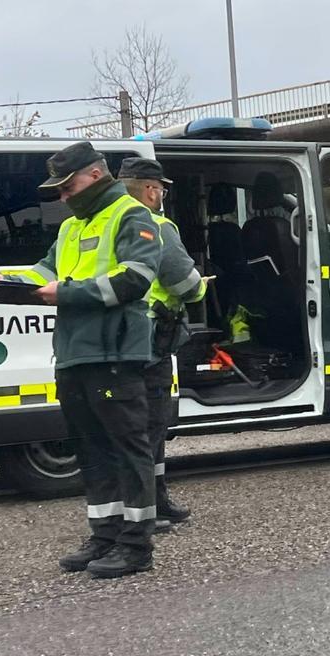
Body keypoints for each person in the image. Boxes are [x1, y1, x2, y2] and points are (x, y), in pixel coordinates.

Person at [0, 142, 162, 579]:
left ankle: (136, 545)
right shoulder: (70, 229)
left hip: (115, 351)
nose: (62, 197)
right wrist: (5, 283)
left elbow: (136, 280)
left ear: (95, 176)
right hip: (75, 352)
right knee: (91, 448)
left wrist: (66, 293)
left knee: (127, 447)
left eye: (67, 186)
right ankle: (105, 534)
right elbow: (44, 274)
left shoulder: (132, 215)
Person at [118, 157, 205, 532]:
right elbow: (185, 284)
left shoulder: (105, 223)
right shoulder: (157, 226)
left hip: (116, 336)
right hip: (152, 336)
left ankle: (153, 500)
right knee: (152, 424)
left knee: (129, 425)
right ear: (151, 190)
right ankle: (148, 507)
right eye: (161, 190)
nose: (162, 196)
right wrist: (200, 285)